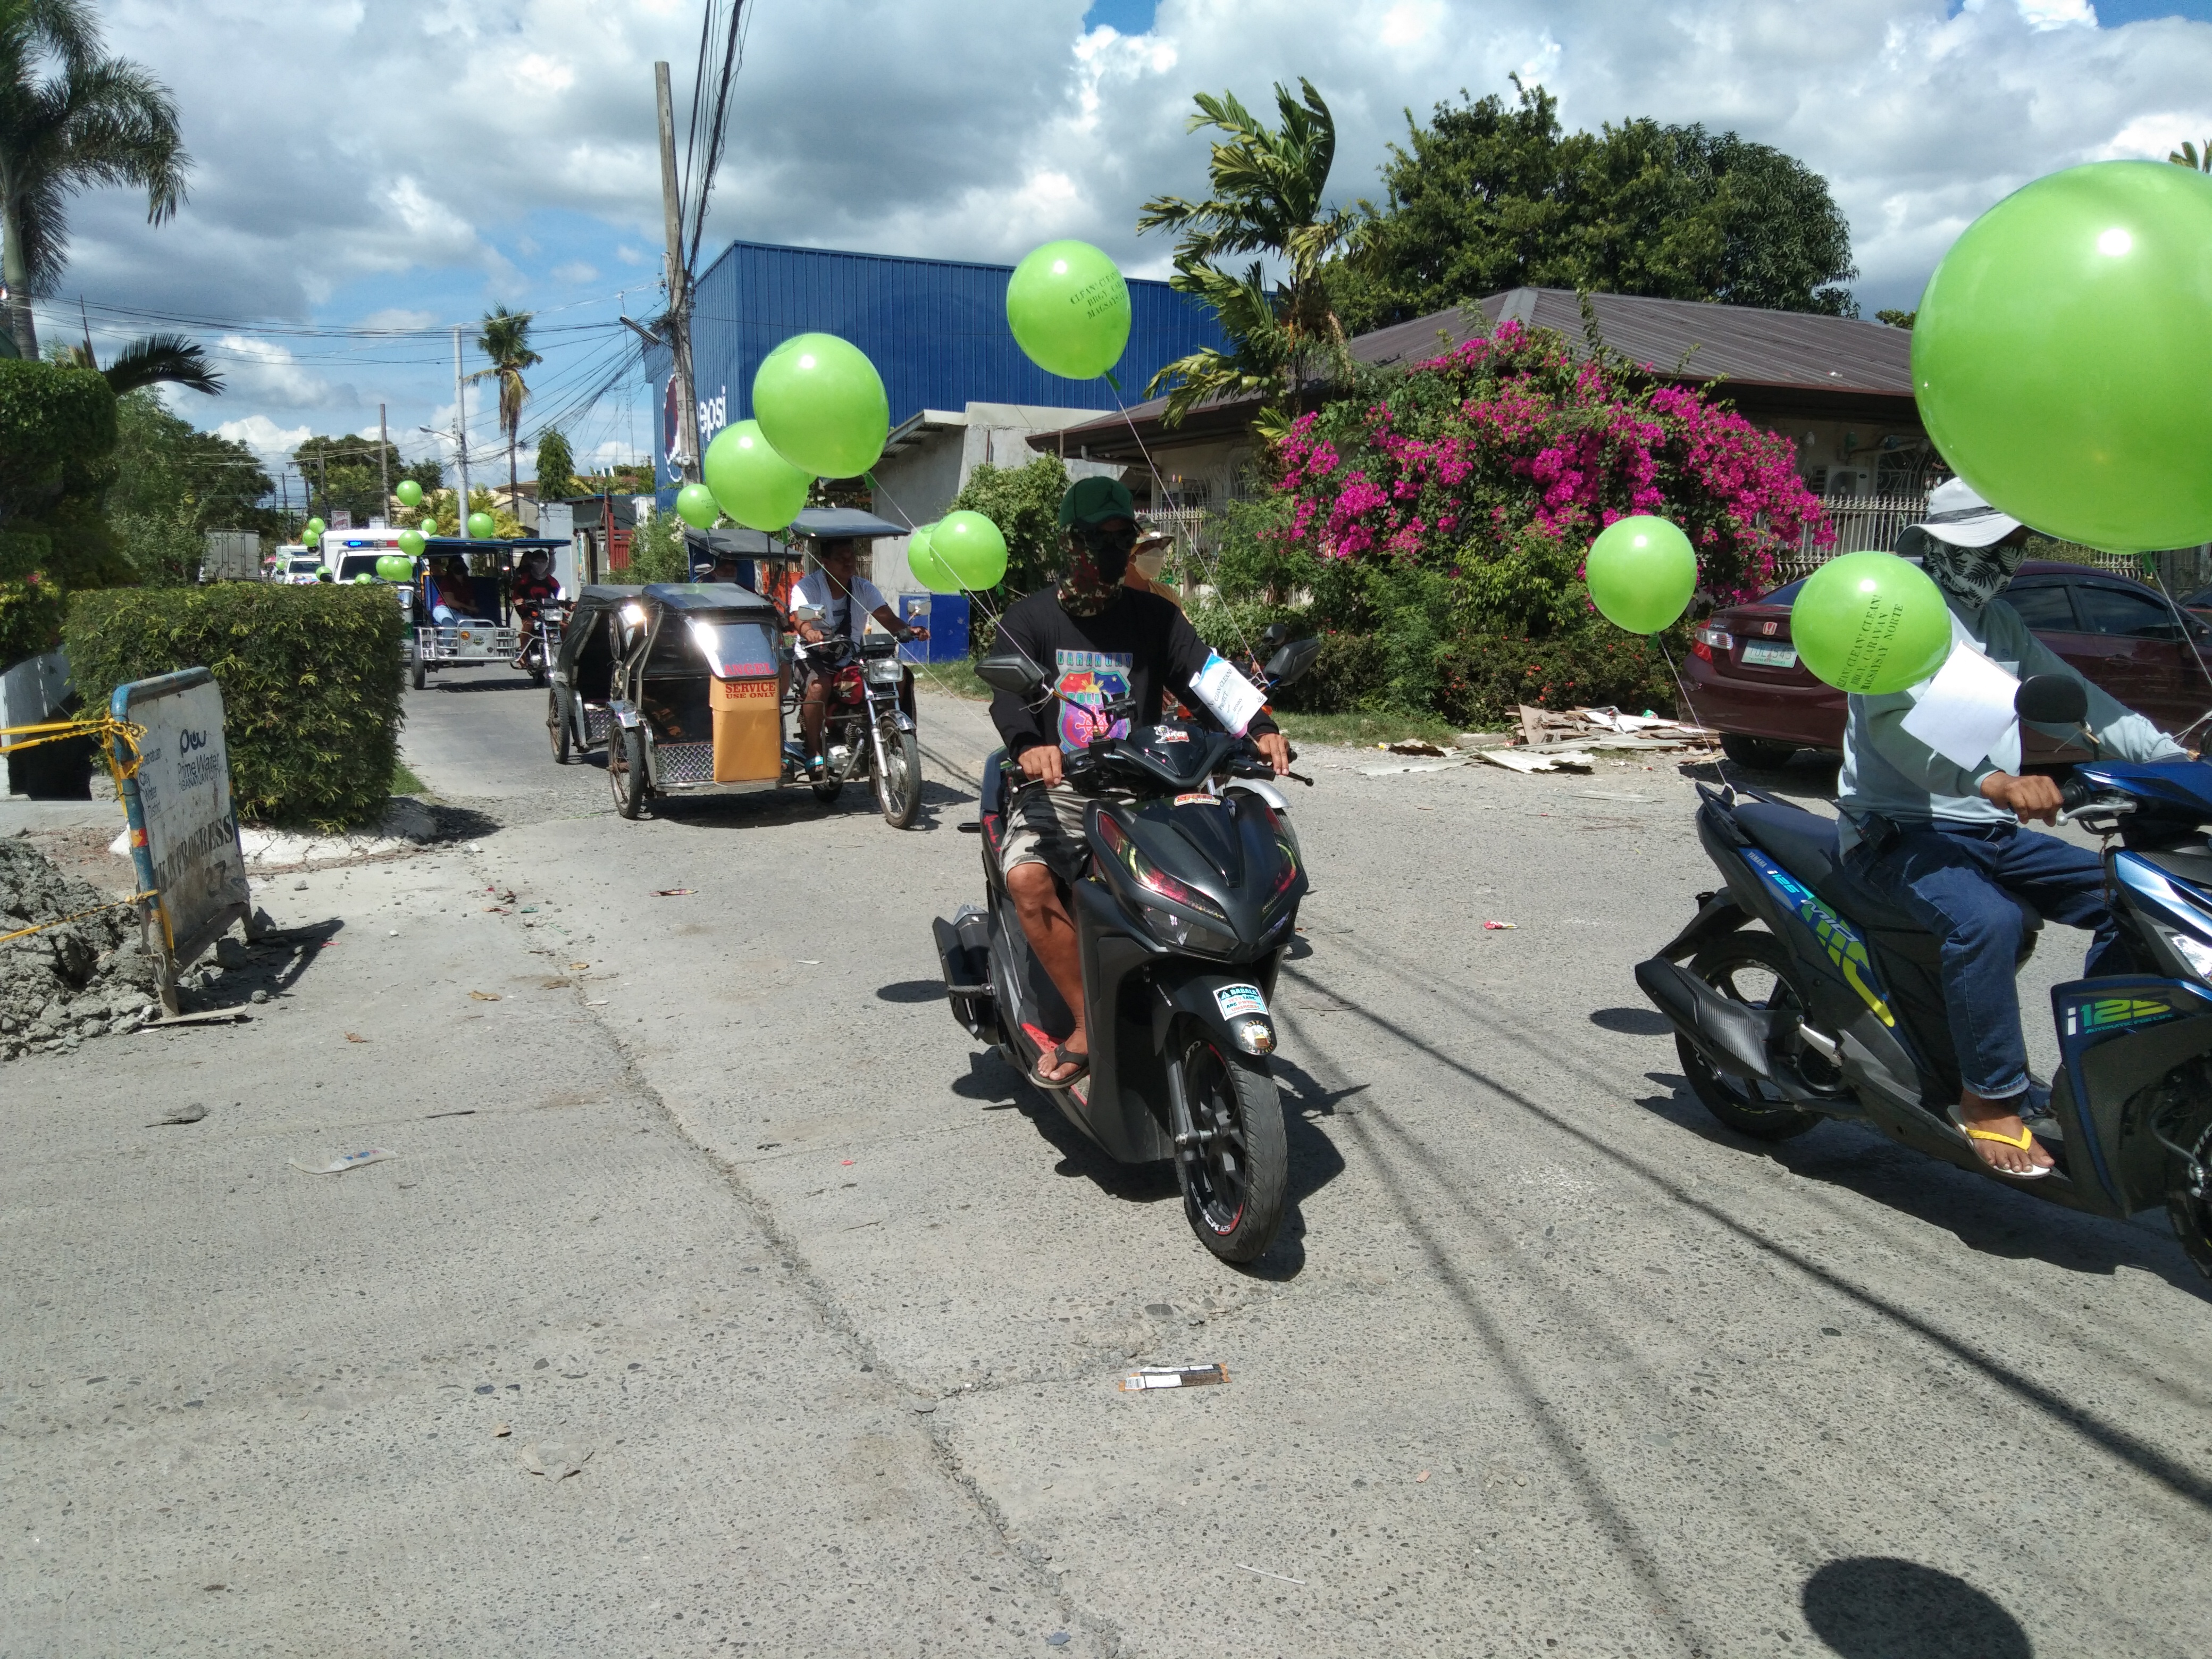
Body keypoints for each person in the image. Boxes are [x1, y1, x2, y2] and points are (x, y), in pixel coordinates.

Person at [1839, 477, 2189, 1178]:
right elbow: (1897, 731)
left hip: (1985, 832)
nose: (2005, 557)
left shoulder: (1998, 626)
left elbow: (2080, 704)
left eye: (2013, 543)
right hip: (1896, 831)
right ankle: (1988, 1100)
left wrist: (2174, 762)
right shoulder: (1893, 610)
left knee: (2139, 895)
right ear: (1939, 543)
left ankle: (2094, 1070)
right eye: (1991, 543)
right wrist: (1992, 782)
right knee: (1988, 922)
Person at [990, 476, 1290, 1087]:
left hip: (1148, 787)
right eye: (1093, 537)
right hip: (1065, 791)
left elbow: (1207, 679)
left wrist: (1259, 726)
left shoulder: (1154, 616)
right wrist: (1031, 746)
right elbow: (1009, 698)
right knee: (1026, 879)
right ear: (1067, 542)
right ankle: (1086, 1024)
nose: (1107, 548)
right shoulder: (1030, 619)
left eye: (1119, 535)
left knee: (1219, 881)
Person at [789, 537, 926, 774]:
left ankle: (893, 734)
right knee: (819, 687)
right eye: (841, 558)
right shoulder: (808, 587)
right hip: (813, 655)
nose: (848, 562)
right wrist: (809, 631)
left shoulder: (864, 588)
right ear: (825, 563)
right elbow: (799, 618)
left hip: (850, 654)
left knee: (898, 676)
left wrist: (908, 629)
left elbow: (887, 617)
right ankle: (813, 750)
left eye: (851, 556)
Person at [1121, 528, 1182, 607]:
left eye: (1159, 546)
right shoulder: (1115, 597)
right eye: (1148, 546)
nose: (1157, 553)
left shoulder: (1167, 595)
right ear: (1129, 554)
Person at [424, 557, 483, 625]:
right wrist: (471, 608)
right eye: (456, 566)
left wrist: (469, 611)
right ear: (451, 569)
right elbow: (450, 602)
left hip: (458, 612)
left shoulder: (468, 584)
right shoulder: (447, 581)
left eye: (460, 565)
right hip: (443, 608)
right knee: (449, 623)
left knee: (469, 623)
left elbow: (472, 603)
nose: (459, 567)